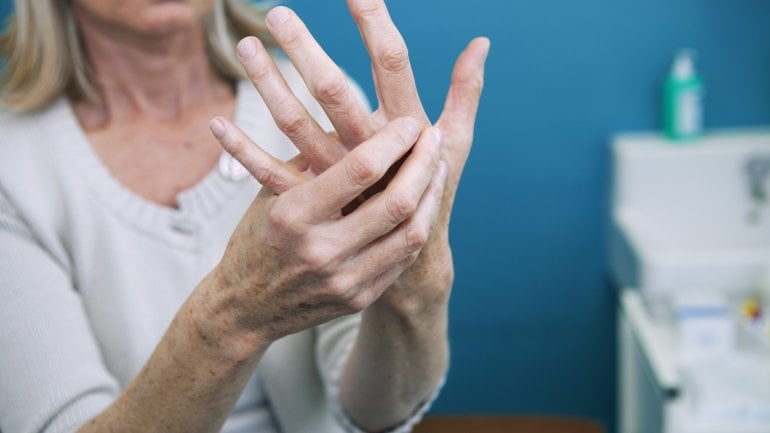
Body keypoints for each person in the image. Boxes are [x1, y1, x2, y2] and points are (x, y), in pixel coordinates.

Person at [0, 0, 489, 432]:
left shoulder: (321, 103)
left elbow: (375, 413)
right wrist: (235, 312)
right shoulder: (13, 163)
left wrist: (416, 268)